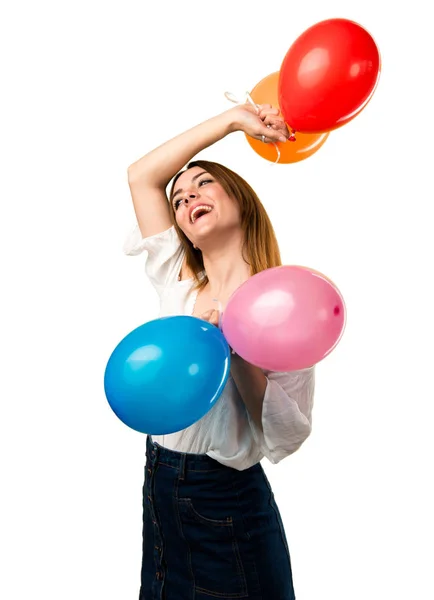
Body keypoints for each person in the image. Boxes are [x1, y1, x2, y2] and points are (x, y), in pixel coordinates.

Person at [124, 102, 315, 600]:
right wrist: (233, 121)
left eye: (203, 184)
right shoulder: (179, 280)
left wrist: (239, 347)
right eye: (181, 197)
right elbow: (142, 176)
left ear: (240, 200)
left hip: (226, 503)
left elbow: (285, 437)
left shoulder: (283, 307)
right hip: (161, 488)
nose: (188, 197)